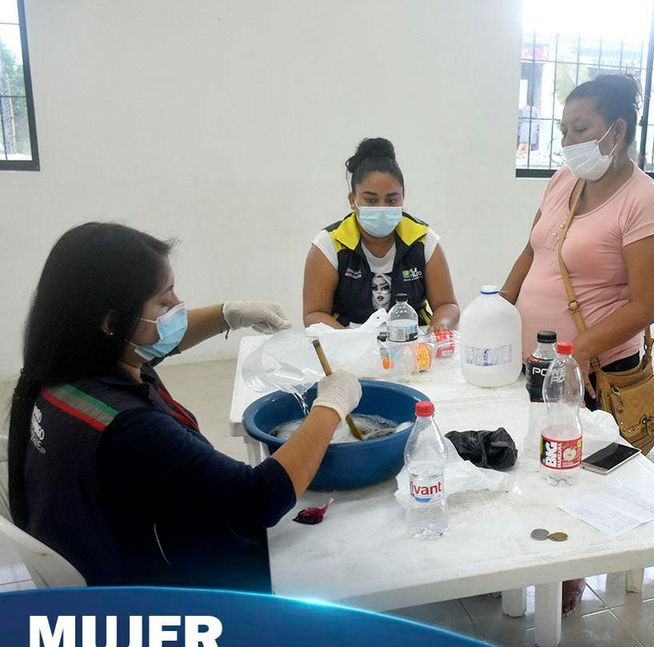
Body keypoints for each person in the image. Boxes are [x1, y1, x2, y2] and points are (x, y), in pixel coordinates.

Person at [7, 223, 362, 591]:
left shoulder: (66, 373)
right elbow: (260, 498)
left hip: (115, 551)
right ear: (112, 322)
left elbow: (158, 341)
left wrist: (227, 314)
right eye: (164, 302)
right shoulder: (130, 427)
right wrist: (331, 405)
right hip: (169, 592)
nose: (178, 307)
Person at [500, 74, 654, 615]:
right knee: (533, 460)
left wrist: (572, 355)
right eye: (564, 129)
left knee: (574, 473)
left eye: (580, 129)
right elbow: (532, 251)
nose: (567, 141)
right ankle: (523, 552)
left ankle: (570, 567)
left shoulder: (646, 203)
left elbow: (646, 304)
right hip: (536, 362)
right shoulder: (563, 181)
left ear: (616, 131)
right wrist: (498, 308)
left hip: (592, 373)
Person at [303, 137, 459, 332]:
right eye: (371, 200)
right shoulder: (329, 245)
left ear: (403, 198)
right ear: (352, 200)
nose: (382, 208)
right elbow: (314, 314)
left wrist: (441, 325)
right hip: (348, 342)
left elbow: (447, 305)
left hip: (412, 342)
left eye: (391, 200)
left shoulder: (423, 240)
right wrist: (351, 342)